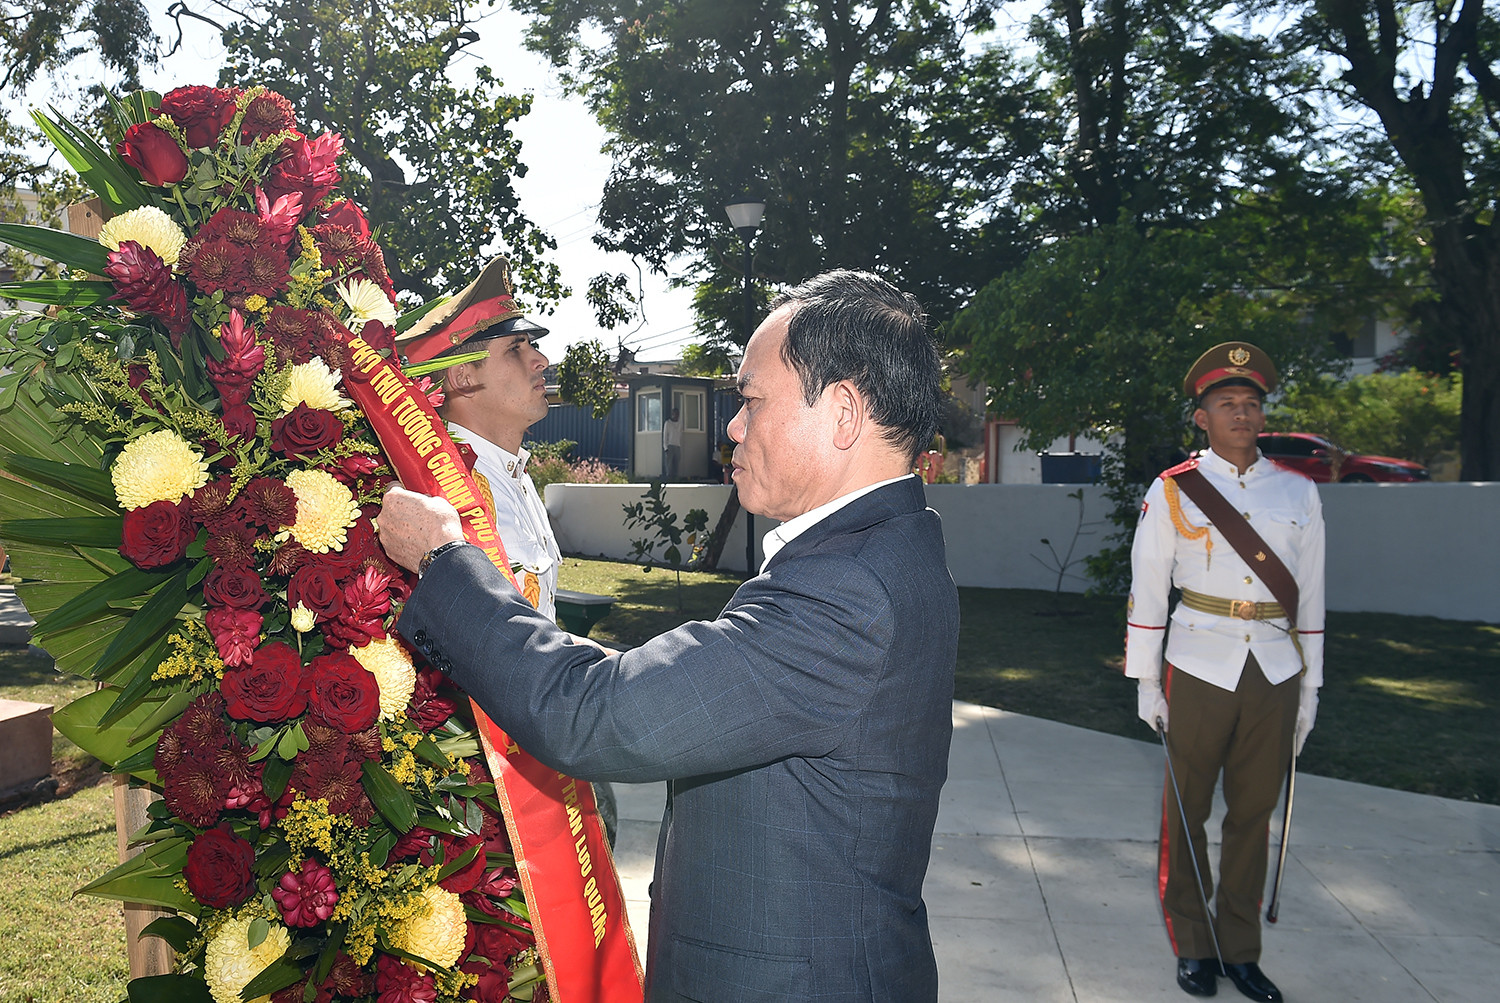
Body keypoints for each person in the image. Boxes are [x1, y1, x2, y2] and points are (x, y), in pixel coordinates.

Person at [376, 269, 959, 1003]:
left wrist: (440, 560)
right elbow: (684, 688)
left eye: (750, 400)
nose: (733, 428)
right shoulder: (882, 549)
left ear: (842, 412)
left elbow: (594, 714)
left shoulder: (848, 590)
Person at [1125, 342, 1325, 1003]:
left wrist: (1311, 687)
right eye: (1227, 404)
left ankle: (1241, 949)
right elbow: (1149, 589)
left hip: (1273, 668)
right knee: (1187, 810)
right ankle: (1194, 943)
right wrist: (1147, 681)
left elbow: (1314, 597)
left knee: (1254, 814)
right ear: (1201, 417)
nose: (1242, 413)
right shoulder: (1174, 488)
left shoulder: (1297, 492)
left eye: (1252, 403)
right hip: (1199, 662)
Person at [394, 256, 562, 622]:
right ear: (464, 378)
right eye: (516, 349)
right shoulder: (447, 492)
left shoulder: (514, 474)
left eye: (531, 345)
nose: (542, 360)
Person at [662, 405, 682, 479]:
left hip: (677, 446)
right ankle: (669, 479)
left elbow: (680, 434)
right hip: (670, 445)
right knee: (669, 465)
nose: (676, 416)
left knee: (677, 464)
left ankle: (676, 479)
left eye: (677, 414)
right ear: (672, 414)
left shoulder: (680, 424)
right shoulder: (668, 423)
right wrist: (665, 447)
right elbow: (665, 436)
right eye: (675, 414)